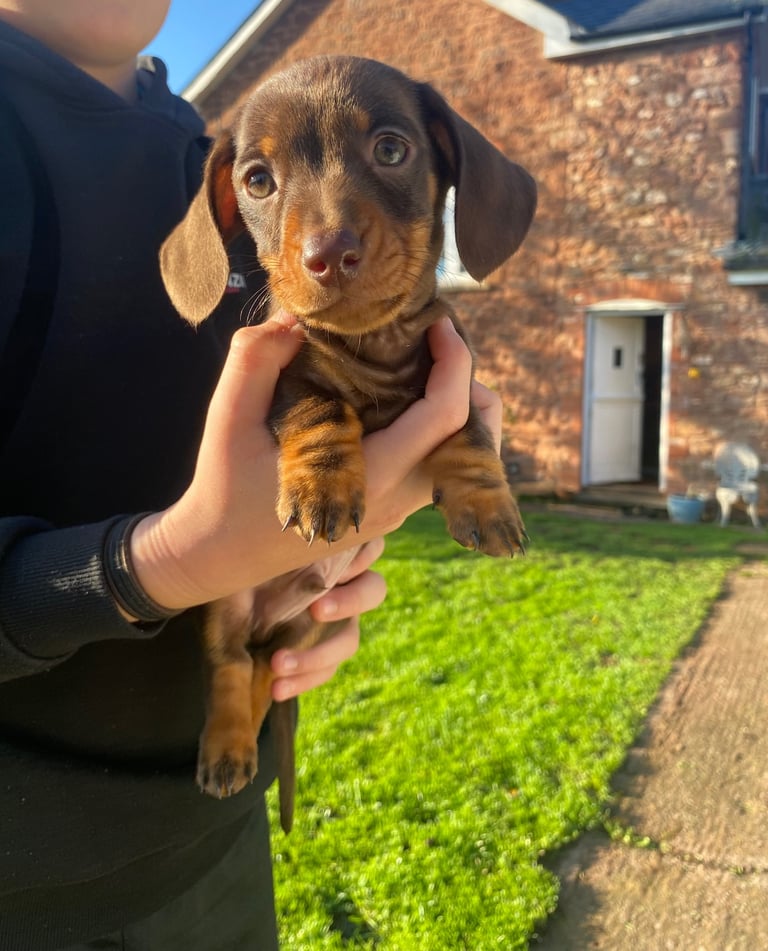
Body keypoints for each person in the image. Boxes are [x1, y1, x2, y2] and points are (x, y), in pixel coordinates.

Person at [0, 2, 504, 949]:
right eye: (266, 180)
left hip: (217, 830)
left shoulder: (209, 140)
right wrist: (165, 563)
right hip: (26, 893)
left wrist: (323, 554)